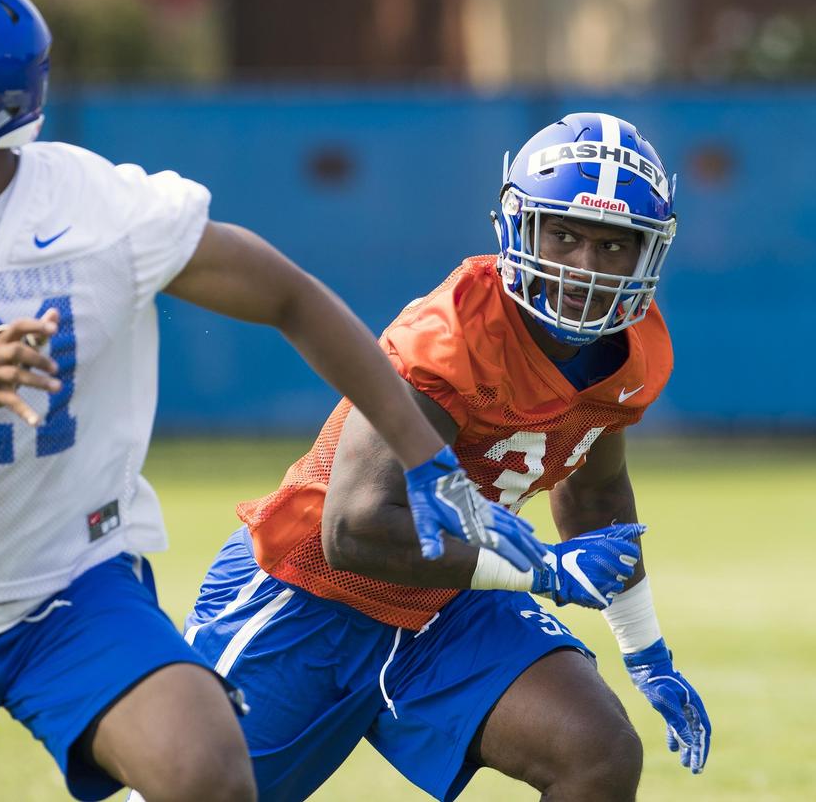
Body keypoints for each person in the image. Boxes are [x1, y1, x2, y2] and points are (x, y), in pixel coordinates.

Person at [0, 0, 549, 800]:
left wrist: (422, 454)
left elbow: (289, 296)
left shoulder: (98, 208)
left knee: (206, 768)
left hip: (72, 580)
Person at [179, 112, 712, 801]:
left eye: (614, 246)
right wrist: (541, 570)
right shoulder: (453, 328)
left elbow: (595, 493)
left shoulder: (633, 348)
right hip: (308, 595)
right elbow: (356, 529)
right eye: (567, 235)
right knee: (196, 789)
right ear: (521, 226)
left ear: (649, 252)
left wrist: (646, 651)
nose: (585, 265)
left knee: (597, 751)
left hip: (447, 604)